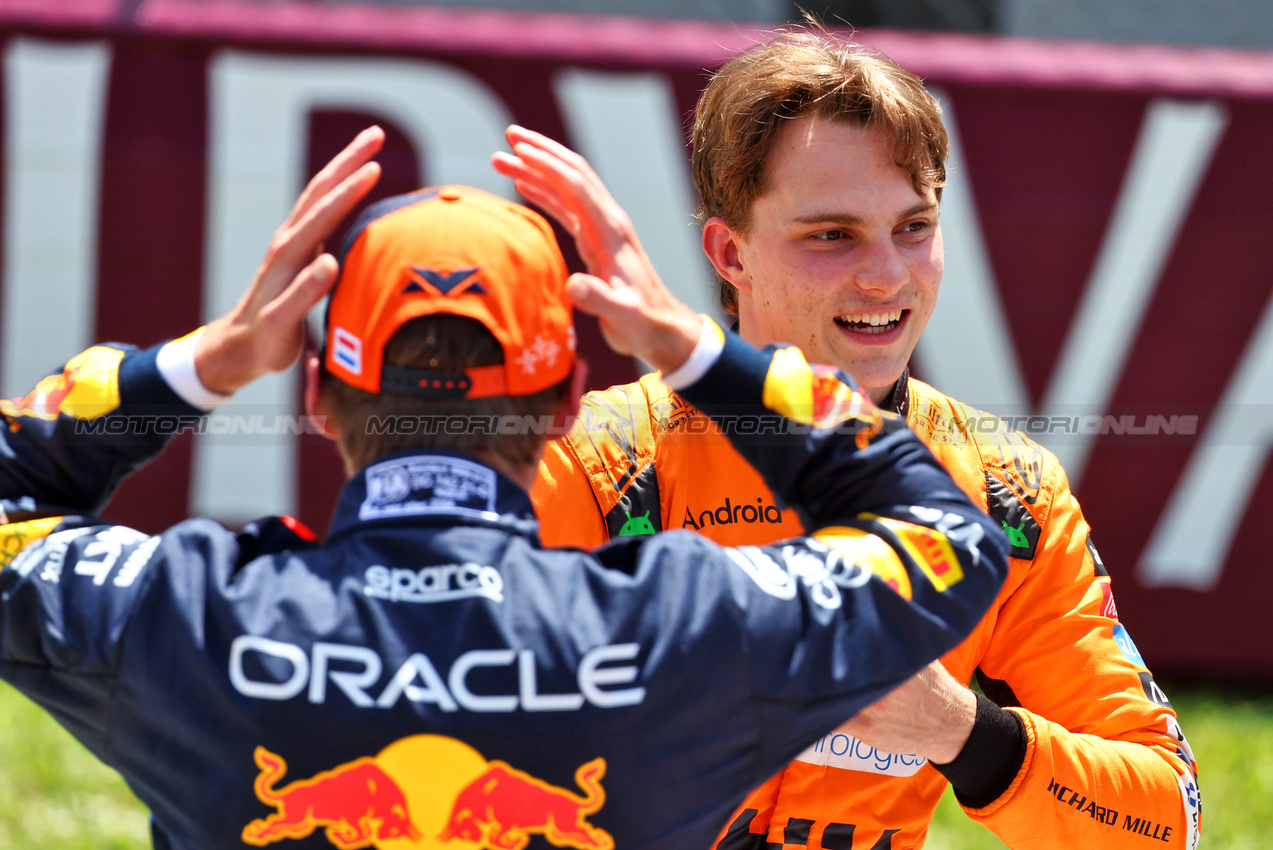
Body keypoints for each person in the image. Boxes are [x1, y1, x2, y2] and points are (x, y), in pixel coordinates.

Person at [0, 127, 1007, 848]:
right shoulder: (685, 622)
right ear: (571, 399)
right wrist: (698, 349)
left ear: (313, 393)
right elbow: (943, 537)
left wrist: (198, 365)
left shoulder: (186, 613)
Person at [527, 29, 1202, 850]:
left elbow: (1167, 821)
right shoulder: (598, 466)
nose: (887, 276)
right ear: (729, 252)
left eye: (913, 227)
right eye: (831, 235)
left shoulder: (1003, 492)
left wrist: (954, 728)